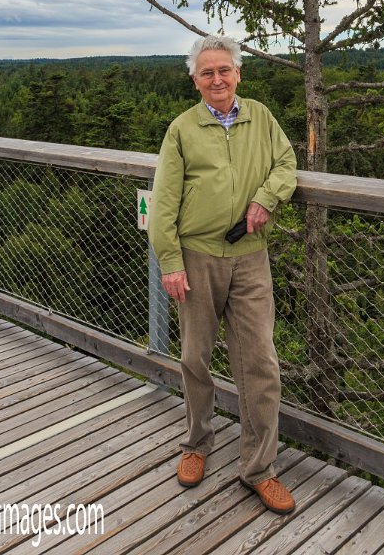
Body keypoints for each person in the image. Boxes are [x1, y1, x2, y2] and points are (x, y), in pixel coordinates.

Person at [149, 34, 298, 514]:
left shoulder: (261, 117)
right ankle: (196, 444)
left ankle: (258, 468)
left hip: (251, 255)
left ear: (239, 74)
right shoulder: (182, 129)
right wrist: (170, 262)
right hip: (196, 256)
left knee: (260, 363)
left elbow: (286, 163)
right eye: (207, 72)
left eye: (224, 70)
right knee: (195, 356)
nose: (217, 79)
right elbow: (164, 202)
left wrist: (266, 197)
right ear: (195, 81)